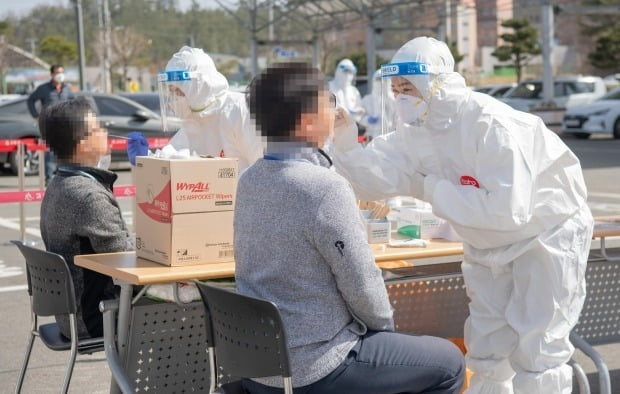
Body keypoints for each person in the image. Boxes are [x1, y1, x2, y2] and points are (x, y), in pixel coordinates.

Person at [329, 36, 593, 394]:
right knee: (486, 347)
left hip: (544, 236)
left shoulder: (491, 125)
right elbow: (376, 177)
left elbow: (508, 211)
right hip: (486, 243)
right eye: (395, 89)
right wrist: (345, 143)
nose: (400, 97)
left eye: (407, 87)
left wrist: (429, 188)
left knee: (539, 346)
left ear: (435, 83)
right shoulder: (418, 132)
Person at [235, 62, 465, 394]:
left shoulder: (249, 179)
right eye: (326, 101)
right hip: (317, 367)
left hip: (259, 368)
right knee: (450, 363)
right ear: (307, 120)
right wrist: (386, 331)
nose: (335, 109)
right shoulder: (323, 188)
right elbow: (364, 288)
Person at [39, 97, 132, 339]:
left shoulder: (58, 183)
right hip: (96, 317)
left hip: (69, 317)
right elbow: (128, 264)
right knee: (189, 305)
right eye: (98, 128)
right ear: (82, 144)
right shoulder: (88, 196)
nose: (105, 132)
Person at [127, 46, 263, 172]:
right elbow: (171, 164)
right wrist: (145, 158)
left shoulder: (239, 110)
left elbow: (264, 169)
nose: (174, 98)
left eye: (178, 90)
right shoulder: (193, 121)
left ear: (198, 86)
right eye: (171, 91)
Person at [27, 64, 75, 185]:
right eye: (58, 72)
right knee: (49, 153)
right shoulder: (43, 89)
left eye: (62, 72)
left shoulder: (67, 89)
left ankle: (62, 177)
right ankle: (49, 179)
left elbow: (74, 103)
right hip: (49, 125)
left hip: (64, 126)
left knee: (64, 153)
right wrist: (36, 116)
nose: (60, 75)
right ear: (52, 74)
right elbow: (30, 100)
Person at [359, 69, 395, 140]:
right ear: (373, 81)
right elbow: (359, 116)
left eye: (383, 79)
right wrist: (367, 120)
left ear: (388, 82)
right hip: (371, 136)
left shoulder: (394, 99)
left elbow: (399, 119)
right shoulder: (367, 99)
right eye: (378, 80)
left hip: (391, 136)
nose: (381, 82)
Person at [328, 58, 364, 124]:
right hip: (333, 129)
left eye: (350, 72)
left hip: (350, 129)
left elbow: (360, 112)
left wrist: (357, 113)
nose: (347, 75)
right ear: (338, 72)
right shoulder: (329, 87)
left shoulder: (354, 91)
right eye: (345, 71)